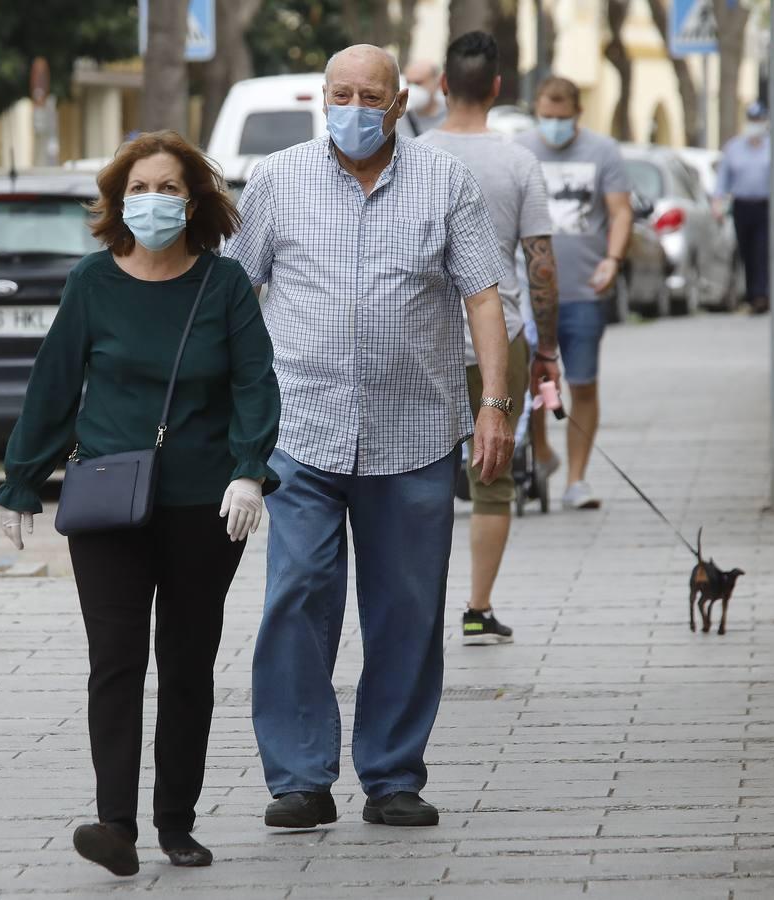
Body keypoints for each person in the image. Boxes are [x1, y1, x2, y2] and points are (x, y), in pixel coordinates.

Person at [225, 43, 513, 830]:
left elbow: (484, 298)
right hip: (302, 429)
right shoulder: (277, 180)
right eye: (339, 93)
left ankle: (392, 775)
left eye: (368, 96)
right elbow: (235, 293)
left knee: (408, 609)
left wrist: (494, 402)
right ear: (324, 99)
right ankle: (298, 777)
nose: (352, 107)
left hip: (415, 432)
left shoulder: (444, 180)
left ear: (398, 104)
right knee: (295, 596)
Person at [0, 130, 280, 876]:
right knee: (114, 660)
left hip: (203, 507)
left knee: (186, 663)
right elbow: (54, 386)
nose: (153, 201)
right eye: (139, 189)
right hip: (109, 504)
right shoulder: (92, 282)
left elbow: (255, 380)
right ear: (119, 202)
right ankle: (114, 823)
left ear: (195, 202)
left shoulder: (221, 286)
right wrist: (22, 479)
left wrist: (249, 470)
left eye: (169, 188)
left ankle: (176, 822)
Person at [418, 31, 558, 645]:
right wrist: (545, 349)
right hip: (497, 337)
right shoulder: (520, 162)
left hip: (419, 339)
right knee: (492, 477)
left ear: (444, 85)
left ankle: (415, 611)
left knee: (412, 474)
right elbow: (543, 266)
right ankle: (477, 608)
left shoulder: (412, 156)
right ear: (498, 88)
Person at [515, 76, 633, 511]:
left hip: (585, 289)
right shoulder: (520, 149)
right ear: (536, 111)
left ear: (578, 114)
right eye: (546, 117)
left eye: (562, 118)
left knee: (582, 383)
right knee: (533, 384)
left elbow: (619, 212)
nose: (554, 126)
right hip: (528, 293)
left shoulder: (603, 152)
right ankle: (543, 454)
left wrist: (612, 260)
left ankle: (577, 480)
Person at [715, 101, 774, 314]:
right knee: (746, 251)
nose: (755, 124)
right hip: (741, 206)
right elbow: (723, 179)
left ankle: (762, 295)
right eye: (752, 120)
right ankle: (753, 295)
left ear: (766, 122)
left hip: (767, 206)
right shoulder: (734, 147)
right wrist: (717, 201)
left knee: (763, 249)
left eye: (759, 120)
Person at [397, 60, 447, 137]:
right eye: (409, 83)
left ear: (437, 82)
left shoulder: (450, 116)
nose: (412, 89)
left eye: (418, 83)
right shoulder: (399, 117)